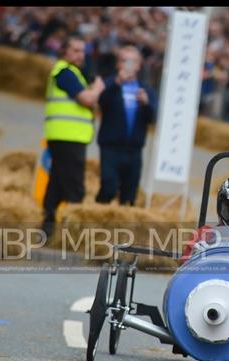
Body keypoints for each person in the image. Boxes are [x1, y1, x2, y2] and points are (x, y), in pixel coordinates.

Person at [42, 35, 105, 236]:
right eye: (75, 50)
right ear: (64, 51)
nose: (80, 55)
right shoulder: (65, 72)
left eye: (82, 51)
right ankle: (73, 230)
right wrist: (97, 89)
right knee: (74, 184)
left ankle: (49, 224)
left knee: (58, 180)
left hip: (67, 135)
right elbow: (86, 99)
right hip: (68, 136)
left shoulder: (72, 72)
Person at [95, 45, 157, 206]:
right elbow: (102, 103)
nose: (128, 65)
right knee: (108, 187)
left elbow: (154, 117)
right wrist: (117, 83)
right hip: (111, 147)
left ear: (138, 65)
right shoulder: (109, 84)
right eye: (124, 61)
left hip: (134, 150)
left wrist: (146, 103)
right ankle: (99, 214)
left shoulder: (146, 89)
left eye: (132, 61)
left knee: (129, 194)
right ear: (118, 64)